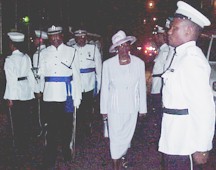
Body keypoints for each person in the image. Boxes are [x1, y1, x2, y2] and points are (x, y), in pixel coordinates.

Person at [158, 1, 216, 170]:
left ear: (188, 30)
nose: (169, 31)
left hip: (185, 142)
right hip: (174, 137)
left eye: (174, 28)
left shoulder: (192, 60)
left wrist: (202, 146)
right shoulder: (180, 56)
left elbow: (204, 107)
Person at [100, 30, 147, 170]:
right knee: (115, 137)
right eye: (121, 46)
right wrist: (103, 110)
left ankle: (121, 157)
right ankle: (115, 164)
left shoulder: (139, 63)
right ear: (116, 49)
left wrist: (142, 109)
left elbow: (141, 88)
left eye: (126, 45)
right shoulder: (108, 64)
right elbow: (105, 88)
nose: (124, 48)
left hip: (132, 106)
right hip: (114, 107)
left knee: (127, 137)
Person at [38, 25, 82, 168]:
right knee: (51, 129)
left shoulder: (72, 51)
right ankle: (49, 157)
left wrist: (77, 97)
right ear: (49, 37)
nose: (55, 38)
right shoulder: (43, 53)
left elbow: (76, 76)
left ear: (62, 36)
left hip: (66, 95)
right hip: (50, 96)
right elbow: (41, 75)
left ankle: (66, 151)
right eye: (52, 36)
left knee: (66, 127)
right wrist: (38, 89)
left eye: (57, 35)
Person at [4, 32, 35, 154]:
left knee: (17, 121)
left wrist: (9, 98)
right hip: (26, 91)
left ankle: (19, 145)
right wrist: (33, 91)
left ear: (12, 45)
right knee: (26, 119)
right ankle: (26, 144)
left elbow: (10, 80)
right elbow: (30, 75)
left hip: (16, 92)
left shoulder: (9, 60)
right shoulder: (26, 57)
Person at [73, 29, 102, 144]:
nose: (81, 40)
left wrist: (98, 85)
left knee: (88, 107)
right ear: (75, 39)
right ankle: (79, 129)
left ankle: (88, 125)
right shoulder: (71, 49)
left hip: (89, 83)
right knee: (78, 108)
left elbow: (99, 69)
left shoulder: (93, 49)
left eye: (83, 37)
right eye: (79, 38)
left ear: (86, 38)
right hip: (76, 83)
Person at [32, 30, 48, 137]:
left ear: (40, 40)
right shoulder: (48, 52)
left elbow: (37, 75)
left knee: (41, 111)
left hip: (41, 87)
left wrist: (37, 89)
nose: (34, 41)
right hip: (50, 87)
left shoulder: (37, 54)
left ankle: (43, 128)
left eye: (35, 39)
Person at [151, 25, 169, 115]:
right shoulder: (161, 50)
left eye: (158, 36)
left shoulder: (166, 51)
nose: (155, 38)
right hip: (156, 87)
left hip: (159, 88)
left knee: (159, 114)